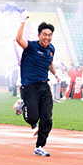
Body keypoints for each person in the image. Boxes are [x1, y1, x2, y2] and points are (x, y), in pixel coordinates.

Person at [14, 11, 59, 157]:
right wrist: (23, 21)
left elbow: (50, 63)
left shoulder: (51, 49)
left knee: (47, 118)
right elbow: (18, 39)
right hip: (30, 86)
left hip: (44, 86)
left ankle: (39, 146)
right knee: (33, 118)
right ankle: (23, 105)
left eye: (50, 35)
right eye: (44, 34)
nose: (47, 37)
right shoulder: (31, 46)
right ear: (39, 35)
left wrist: (55, 74)